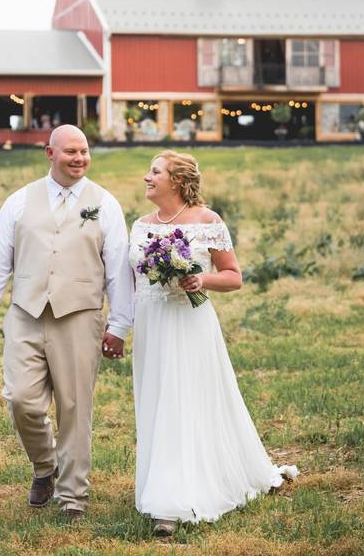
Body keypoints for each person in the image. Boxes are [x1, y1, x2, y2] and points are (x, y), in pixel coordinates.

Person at [0, 125, 133, 520]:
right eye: (70, 152)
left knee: (75, 408)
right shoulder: (19, 202)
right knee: (20, 399)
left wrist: (119, 325)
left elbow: (118, 271)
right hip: (26, 314)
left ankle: (73, 496)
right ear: (50, 154)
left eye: (85, 151)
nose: (79, 159)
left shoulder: (105, 203)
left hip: (80, 317)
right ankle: (45, 466)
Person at [130, 150, 297, 537]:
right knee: (157, 401)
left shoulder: (209, 222)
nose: (146, 178)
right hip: (152, 324)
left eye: (154, 172)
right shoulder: (140, 225)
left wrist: (200, 280)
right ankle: (161, 481)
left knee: (184, 401)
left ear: (176, 180)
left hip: (190, 322)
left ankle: (171, 502)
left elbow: (234, 276)